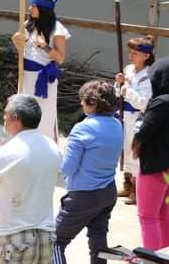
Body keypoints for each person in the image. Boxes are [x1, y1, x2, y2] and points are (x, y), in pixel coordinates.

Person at [0, 94, 61, 264]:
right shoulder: (53, 147)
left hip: (13, 239)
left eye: (5, 114)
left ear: (15, 118)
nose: (3, 118)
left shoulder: (5, 154)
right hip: (45, 237)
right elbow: (28, 166)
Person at [54, 80, 123, 264]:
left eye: (83, 101)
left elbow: (67, 168)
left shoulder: (82, 128)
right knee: (98, 243)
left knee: (53, 242)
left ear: (92, 103)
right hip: (108, 192)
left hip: (83, 195)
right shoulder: (117, 124)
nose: (81, 103)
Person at [12, 0, 68, 142]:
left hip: (43, 79)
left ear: (43, 9)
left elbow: (61, 58)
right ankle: (24, 143)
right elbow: (23, 50)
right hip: (26, 76)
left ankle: (44, 145)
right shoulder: (29, 24)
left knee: (44, 114)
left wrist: (44, 46)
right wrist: (16, 42)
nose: (29, 8)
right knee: (23, 110)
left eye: (33, 6)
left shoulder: (57, 29)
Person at [133, 56, 169, 249]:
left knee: (147, 217)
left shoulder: (161, 102)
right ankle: (164, 255)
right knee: (163, 213)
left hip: (154, 167)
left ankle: (152, 258)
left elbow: (143, 131)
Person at [116, 35, 154, 205]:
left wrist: (126, 88)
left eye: (135, 53)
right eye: (130, 52)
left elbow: (143, 103)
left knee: (135, 152)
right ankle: (127, 184)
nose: (130, 56)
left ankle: (137, 190)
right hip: (123, 115)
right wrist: (118, 84)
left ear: (146, 56)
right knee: (124, 149)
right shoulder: (129, 69)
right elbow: (119, 93)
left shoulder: (150, 75)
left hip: (138, 117)